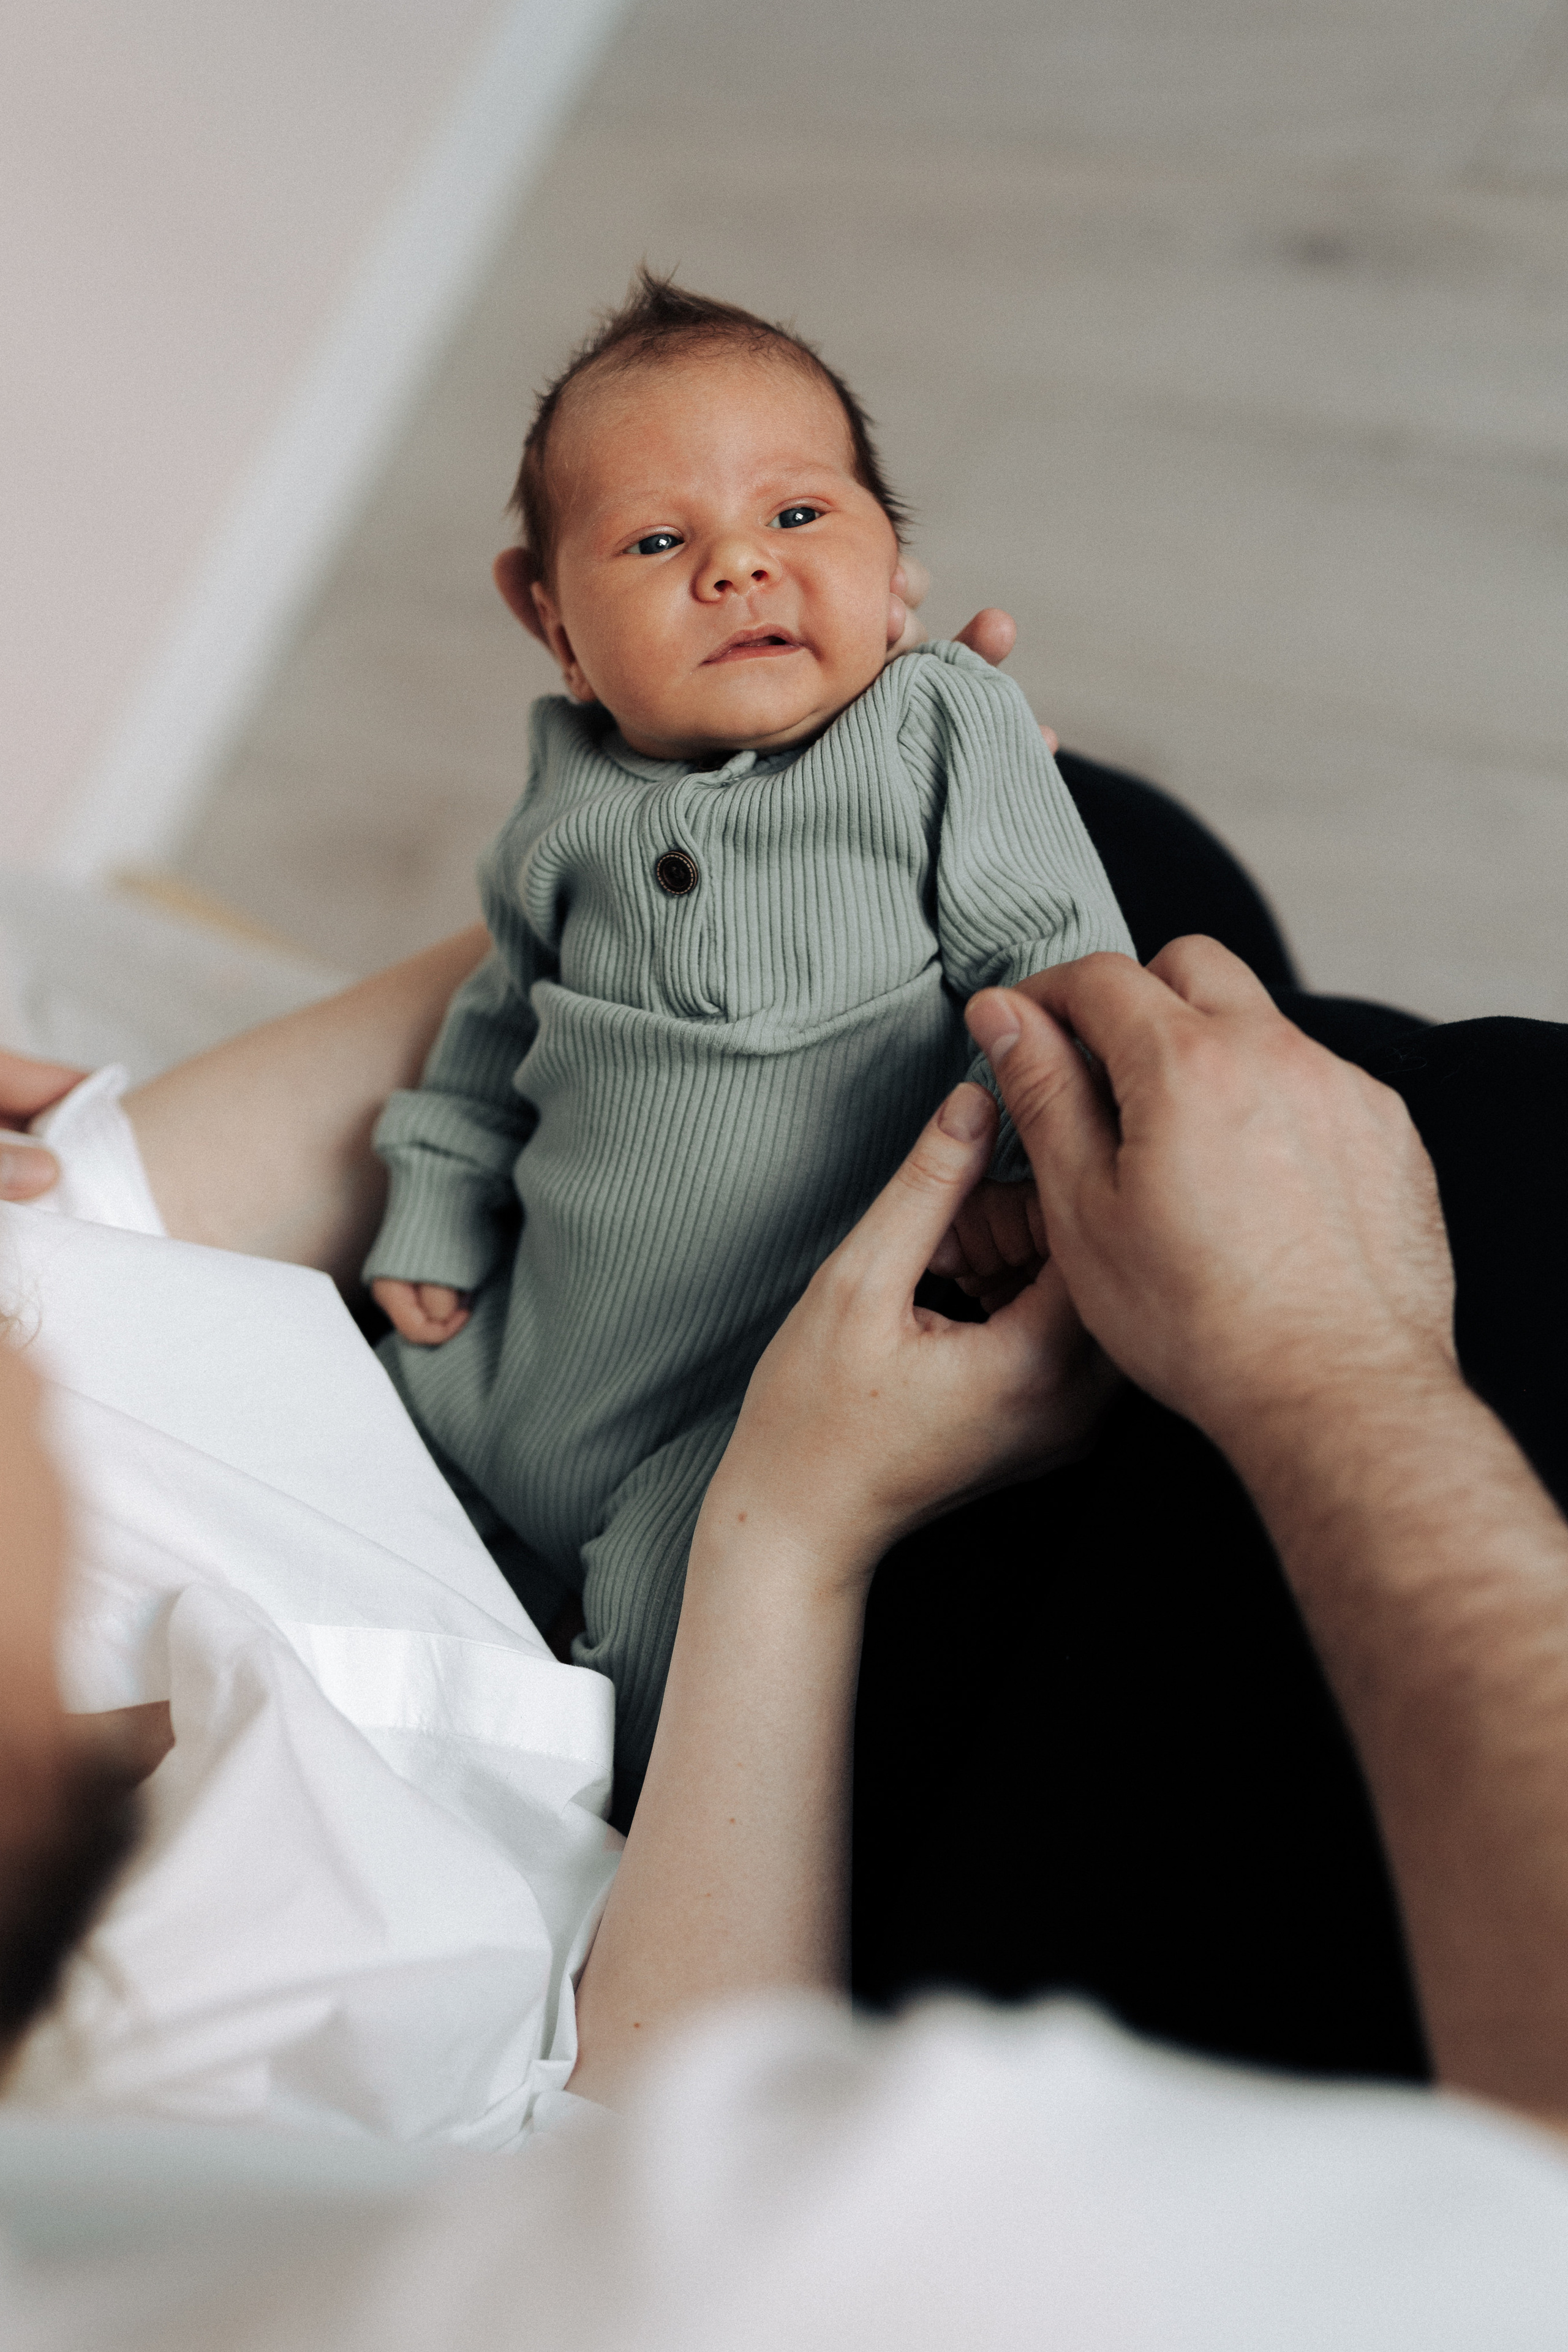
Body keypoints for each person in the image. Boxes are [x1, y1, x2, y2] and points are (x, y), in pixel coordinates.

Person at [4, 940, 1568, 2348]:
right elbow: (664, 2183)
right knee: (1483, 1172)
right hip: (744, 1841)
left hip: (666, 1561)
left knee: (1047, 928)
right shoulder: (264, 2187)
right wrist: (1325, 1355)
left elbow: (106, 1224)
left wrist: (741, 817)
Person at [360, 273, 1132, 1804]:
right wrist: (435, 1190)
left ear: (892, 563)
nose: (736, 566)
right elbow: (496, 1024)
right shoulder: (562, 800)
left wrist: (1015, 1167)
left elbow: (1050, 958)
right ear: (551, 620)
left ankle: (596, 1847)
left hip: (745, 1402)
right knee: (350, 1482)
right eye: (657, 544)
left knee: (679, 1619)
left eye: (796, 516)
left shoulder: (935, 726)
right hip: (515, 1354)